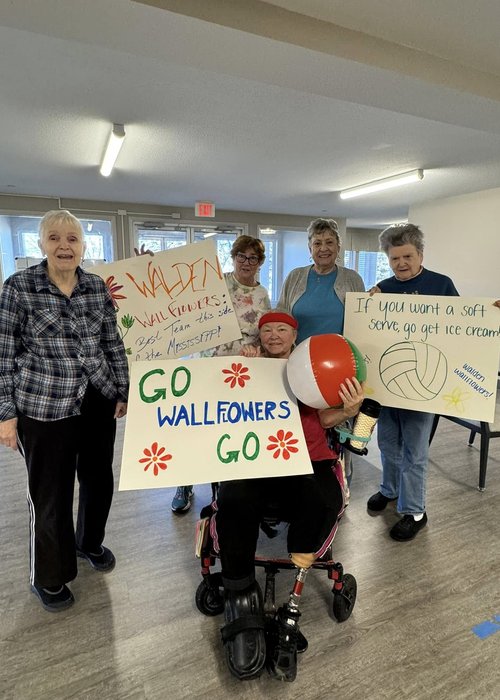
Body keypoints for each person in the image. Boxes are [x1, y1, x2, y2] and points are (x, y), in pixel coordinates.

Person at [209, 310, 364, 681]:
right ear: (258, 335)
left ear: (295, 335)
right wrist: (241, 369)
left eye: (282, 329)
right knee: (232, 500)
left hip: (309, 459)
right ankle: (239, 594)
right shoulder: (246, 366)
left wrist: (349, 409)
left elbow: (324, 418)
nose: (274, 335)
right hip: (258, 457)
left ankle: (298, 570)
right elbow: (213, 408)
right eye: (267, 329)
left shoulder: (308, 368)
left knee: (323, 499)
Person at [0, 210, 129, 612]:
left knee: (97, 480)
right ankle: (49, 576)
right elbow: (3, 355)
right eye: (54, 238)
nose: (64, 246)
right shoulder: (19, 287)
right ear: (41, 244)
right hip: (43, 403)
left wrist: (121, 388)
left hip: (96, 397)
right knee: (50, 493)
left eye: (72, 239)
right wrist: (6, 413)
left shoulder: (95, 286)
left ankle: (88, 542)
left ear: (83, 245)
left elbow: (112, 340)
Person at [366, 223, 459, 541]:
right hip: (388, 386)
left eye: (407, 256)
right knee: (387, 444)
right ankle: (389, 490)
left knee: (415, 452)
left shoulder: (441, 284)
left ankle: (414, 511)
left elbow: (463, 325)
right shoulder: (383, 288)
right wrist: (367, 305)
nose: (401, 263)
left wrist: (490, 314)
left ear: (420, 254)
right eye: (394, 258)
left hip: (424, 385)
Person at [171, 235, 271, 513]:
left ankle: (223, 488)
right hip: (205, 365)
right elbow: (178, 292)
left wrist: (257, 347)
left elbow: (265, 332)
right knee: (194, 426)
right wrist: (151, 266)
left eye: (253, 258)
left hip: (237, 373)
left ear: (260, 262)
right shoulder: (215, 281)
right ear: (233, 257)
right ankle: (184, 483)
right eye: (241, 256)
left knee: (225, 428)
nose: (246, 262)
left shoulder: (262, 295)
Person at [277, 218, 364, 344]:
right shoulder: (294, 276)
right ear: (310, 248)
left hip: (340, 356)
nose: (323, 248)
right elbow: (281, 318)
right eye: (317, 243)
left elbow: (361, 322)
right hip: (298, 356)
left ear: (338, 247)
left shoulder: (353, 279)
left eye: (329, 242)